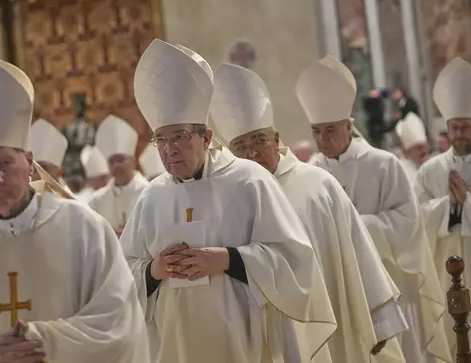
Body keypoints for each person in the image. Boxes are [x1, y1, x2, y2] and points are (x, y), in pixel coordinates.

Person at [121, 39, 337, 363]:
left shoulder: (249, 180)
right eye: (161, 140)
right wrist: (155, 269)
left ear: (206, 138)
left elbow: (296, 263)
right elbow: (122, 277)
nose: (169, 149)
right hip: (176, 348)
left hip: (246, 344)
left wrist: (228, 259)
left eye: (179, 136)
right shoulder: (151, 197)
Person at [0, 50, 148, 363]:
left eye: (4, 163)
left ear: (30, 163)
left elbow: (119, 323)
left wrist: (42, 341)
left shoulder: (84, 229)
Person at [210, 63, 403, 362]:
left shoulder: (317, 185)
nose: (252, 153)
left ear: (276, 139)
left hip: (332, 328)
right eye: (240, 146)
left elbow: (359, 252)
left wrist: (379, 322)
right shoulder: (228, 199)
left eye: (259, 141)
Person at [298, 56, 450, 362]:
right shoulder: (310, 173)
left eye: (329, 130)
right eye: (316, 131)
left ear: (348, 126)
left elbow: (409, 222)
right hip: (339, 286)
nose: (322, 139)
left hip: (389, 284)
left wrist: (355, 229)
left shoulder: (383, 164)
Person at [415, 57, 471, 354]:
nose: (459, 134)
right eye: (454, 127)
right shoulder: (430, 170)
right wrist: (447, 206)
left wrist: (469, 204)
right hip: (442, 266)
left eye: (465, 127)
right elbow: (414, 218)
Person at [88, 115, 149, 235]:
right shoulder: (97, 200)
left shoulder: (148, 192)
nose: (116, 165)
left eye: (120, 160)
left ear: (133, 161)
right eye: (111, 161)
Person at [28, 118, 74, 195]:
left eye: (43, 168)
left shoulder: (72, 206)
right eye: (33, 170)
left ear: (59, 172)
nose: (36, 176)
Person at [395, 113, 430, 184]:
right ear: (408, 151)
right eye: (419, 148)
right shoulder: (401, 172)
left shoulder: (431, 165)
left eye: (425, 147)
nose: (424, 151)